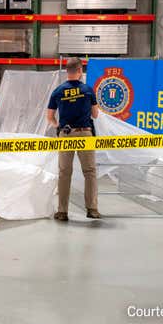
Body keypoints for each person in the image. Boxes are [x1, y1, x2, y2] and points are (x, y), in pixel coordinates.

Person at [47, 57, 100, 221]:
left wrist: (58, 126)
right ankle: (92, 209)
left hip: (66, 134)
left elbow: (49, 117)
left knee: (64, 173)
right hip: (84, 133)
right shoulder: (88, 90)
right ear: (80, 71)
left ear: (67, 71)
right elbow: (95, 115)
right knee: (89, 172)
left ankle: (62, 211)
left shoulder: (58, 91)